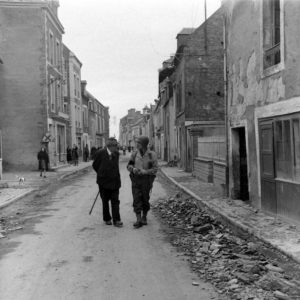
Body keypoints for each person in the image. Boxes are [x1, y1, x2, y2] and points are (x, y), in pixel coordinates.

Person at [127, 136, 158, 228]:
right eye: (137, 142)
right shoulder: (134, 153)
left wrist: (146, 172)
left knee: (145, 199)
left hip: (146, 180)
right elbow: (129, 165)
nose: (137, 144)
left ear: (144, 144)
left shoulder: (151, 155)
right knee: (136, 198)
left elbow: (155, 169)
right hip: (136, 179)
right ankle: (138, 219)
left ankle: (144, 216)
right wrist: (133, 169)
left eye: (139, 143)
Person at [92, 138, 123, 228]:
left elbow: (115, 167)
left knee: (115, 201)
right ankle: (107, 218)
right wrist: (101, 173)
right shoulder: (100, 153)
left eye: (117, 146)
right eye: (115, 146)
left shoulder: (116, 154)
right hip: (103, 182)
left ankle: (116, 220)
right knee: (105, 201)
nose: (117, 148)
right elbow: (95, 165)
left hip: (114, 182)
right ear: (109, 146)